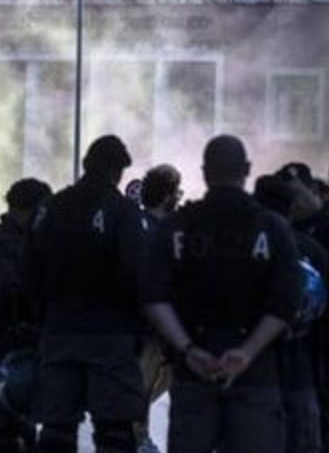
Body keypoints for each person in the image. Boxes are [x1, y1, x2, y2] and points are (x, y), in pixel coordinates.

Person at [146, 135, 302, 453]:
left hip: (193, 370)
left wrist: (188, 349)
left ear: (205, 172)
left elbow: (153, 296)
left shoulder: (176, 227)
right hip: (256, 372)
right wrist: (247, 352)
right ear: (246, 169)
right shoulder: (272, 229)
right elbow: (287, 301)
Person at [23, 135, 148, 453]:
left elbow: (28, 271)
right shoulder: (123, 212)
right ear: (117, 171)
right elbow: (138, 274)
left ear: (86, 165)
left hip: (59, 330)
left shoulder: (49, 208)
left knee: (56, 431)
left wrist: (42, 320)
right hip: (111, 335)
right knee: (116, 433)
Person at [253, 174, 329, 453]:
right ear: (292, 209)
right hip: (300, 370)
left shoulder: (240, 248)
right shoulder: (311, 249)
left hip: (251, 373)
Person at [0, 177, 52, 453]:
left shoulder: (2, 241)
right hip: (9, 345)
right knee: (8, 423)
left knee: (13, 421)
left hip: (6, 344)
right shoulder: (9, 247)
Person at [136, 164, 183, 453]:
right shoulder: (155, 231)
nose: (179, 197)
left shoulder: (145, 226)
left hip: (158, 324)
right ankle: (137, 437)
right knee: (144, 384)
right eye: (176, 191)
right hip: (151, 327)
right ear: (167, 195)